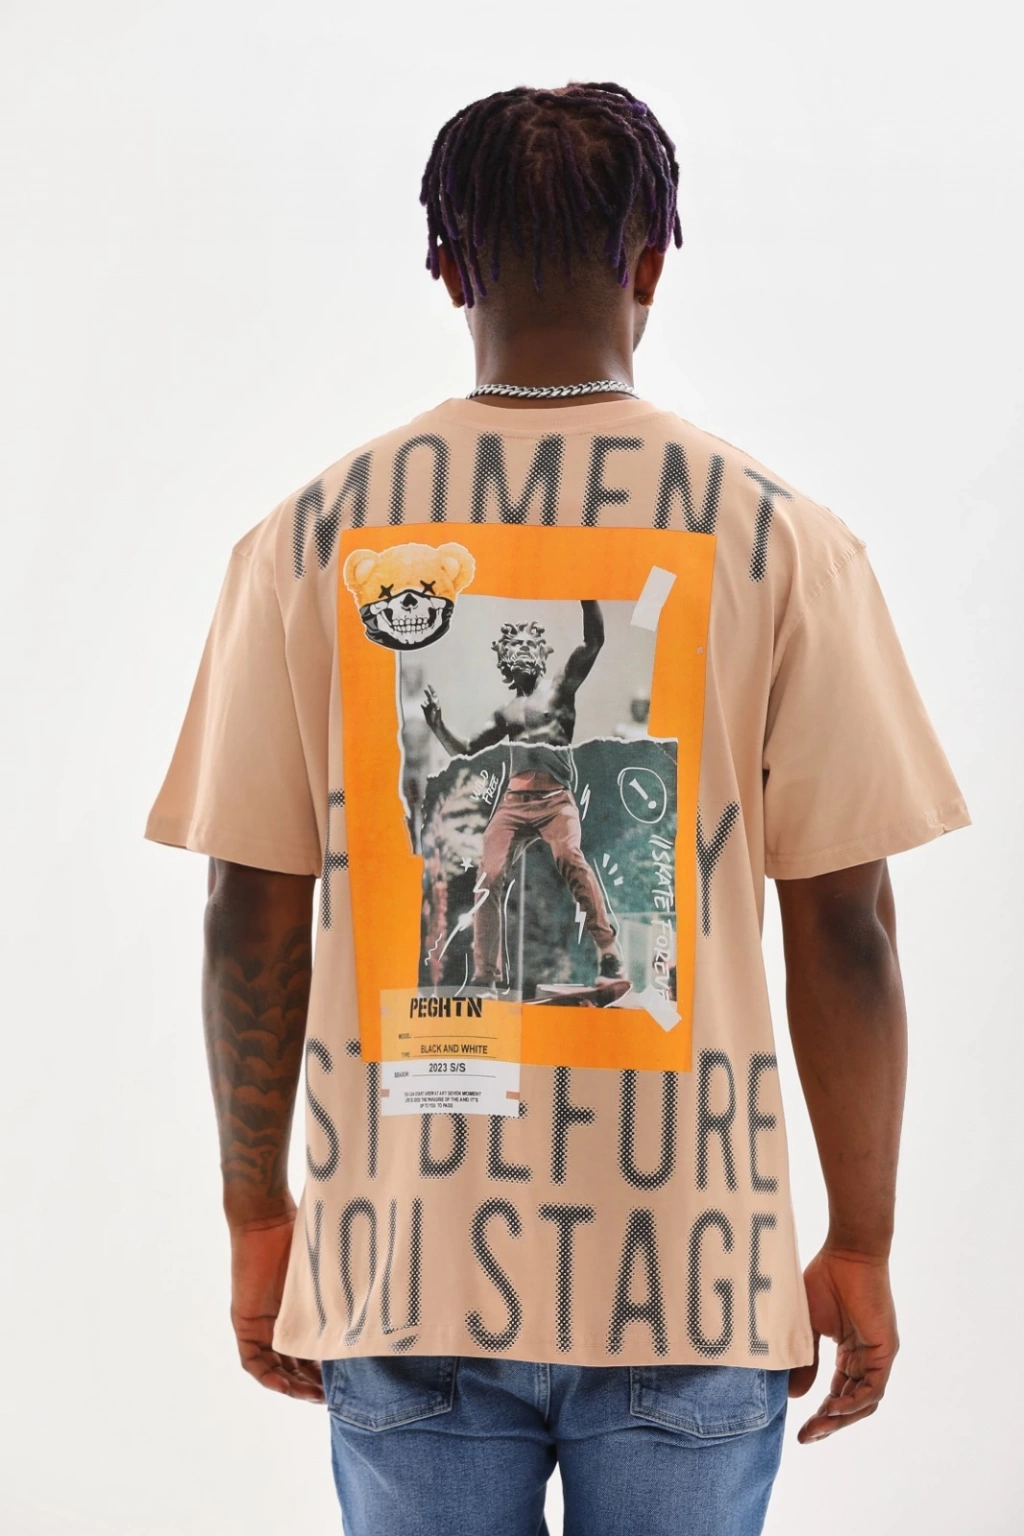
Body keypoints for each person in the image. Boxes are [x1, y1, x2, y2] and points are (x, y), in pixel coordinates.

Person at [144, 81, 971, 1536]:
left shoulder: (306, 539)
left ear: (444, 264)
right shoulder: (783, 540)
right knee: (524, 894)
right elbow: (849, 928)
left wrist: (259, 1219)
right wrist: (860, 1240)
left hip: (403, 1260)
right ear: (652, 257)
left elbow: (246, 911)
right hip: (697, 1265)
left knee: (548, 892)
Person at [421, 603, 625, 989]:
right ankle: (486, 974)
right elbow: (467, 752)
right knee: (489, 875)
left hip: (555, 798)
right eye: (515, 647)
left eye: (529, 644)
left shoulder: (560, 688)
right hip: (514, 802)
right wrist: (438, 726)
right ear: (504, 660)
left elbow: (594, 641)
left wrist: (588, 593)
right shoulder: (506, 713)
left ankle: (608, 949)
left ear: (541, 653)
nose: (523, 651)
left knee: (570, 857)